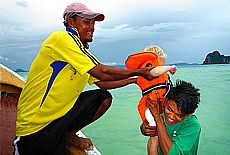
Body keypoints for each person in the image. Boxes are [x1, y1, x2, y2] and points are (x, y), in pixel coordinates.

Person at [12, 2, 156, 155]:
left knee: (103, 98)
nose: (92, 27)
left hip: (58, 119)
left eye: (93, 23)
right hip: (35, 127)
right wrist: (140, 72)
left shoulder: (81, 52)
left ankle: (69, 135)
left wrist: (134, 80)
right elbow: (102, 72)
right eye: (86, 22)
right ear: (70, 21)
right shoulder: (61, 38)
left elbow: (102, 83)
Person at [125, 45, 177, 155]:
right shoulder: (151, 66)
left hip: (149, 107)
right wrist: (169, 68)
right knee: (155, 140)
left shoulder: (141, 72)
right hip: (153, 106)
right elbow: (154, 71)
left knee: (153, 139)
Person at [140, 79, 201, 155]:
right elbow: (144, 129)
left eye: (179, 115)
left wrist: (158, 119)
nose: (171, 116)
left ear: (189, 114)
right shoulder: (160, 110)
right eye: (169, 109)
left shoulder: (192, 125)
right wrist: (145, 128)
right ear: (167, 100)